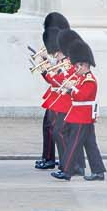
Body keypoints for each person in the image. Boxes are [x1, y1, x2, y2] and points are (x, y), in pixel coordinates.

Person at [52, 32, 105, 180]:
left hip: (82, 116)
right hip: (78, 115)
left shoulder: (89, 80)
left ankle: (67, 171)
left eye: (78, 65)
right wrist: (69, 88)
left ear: (85, 64)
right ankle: (98, 171)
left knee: (73, 144)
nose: (76, 68)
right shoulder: (81, 78)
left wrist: (71, 88)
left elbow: (82, 96)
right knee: (90, 145)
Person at [34, 13, 70, 170]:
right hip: (54, 95)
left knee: (56, 130)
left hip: (61, 96)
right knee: (48, 127)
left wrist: (44, 65)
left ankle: (65, 161)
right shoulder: (59, 50)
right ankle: (48, 157)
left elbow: (57, 78)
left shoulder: (67, 54)